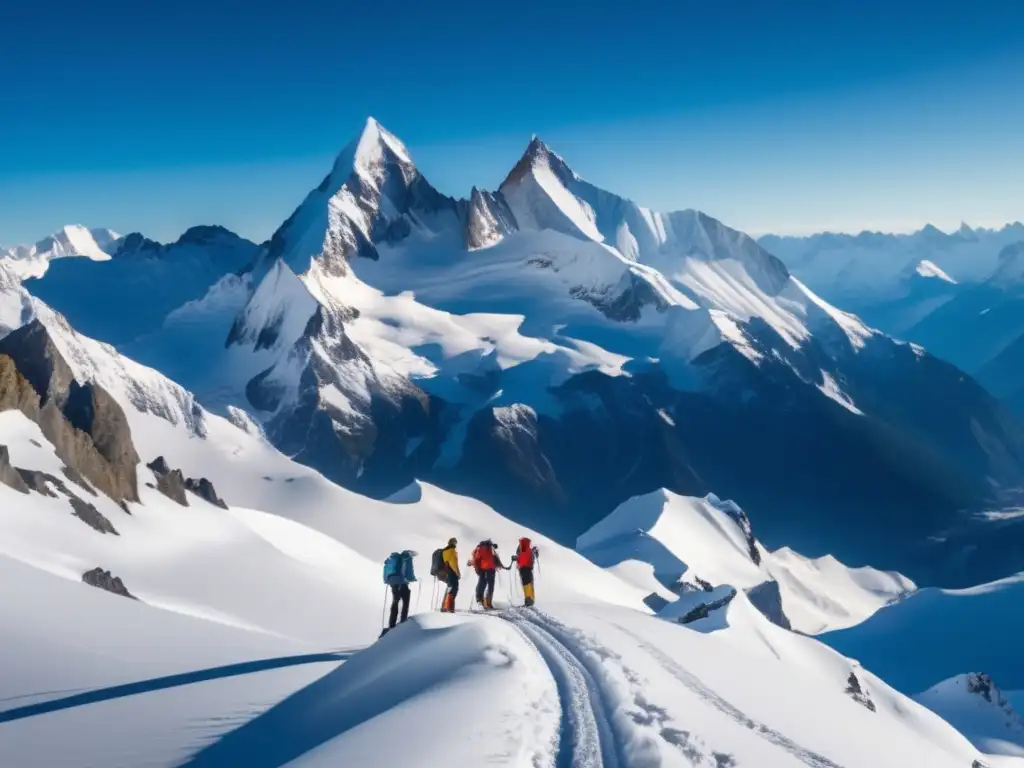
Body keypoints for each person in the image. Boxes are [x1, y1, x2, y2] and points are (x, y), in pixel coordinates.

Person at [381, 550, 417, 637]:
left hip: (393, 583)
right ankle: (403, 622)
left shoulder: (395, 558)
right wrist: (413, 579)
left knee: (395, 601)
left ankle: (392, 624)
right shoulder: (407, 559)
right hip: (402, 583)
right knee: (405, 600)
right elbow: (409, 573)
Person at [469, 539, 505, 610]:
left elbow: (476, 559)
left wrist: (472, 563)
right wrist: (500, 565)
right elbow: (495, 558)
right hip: (491, 569)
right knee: (490, 586)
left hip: (482, 569)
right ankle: (487, 603)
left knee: (481, 584)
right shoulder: (491, 548)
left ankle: (480, 601)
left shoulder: (480, 549)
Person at [512, 537, 538, 607]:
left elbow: (521, 557)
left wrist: (515, 558)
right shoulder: (529, 549)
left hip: (523, 568)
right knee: (529, 583)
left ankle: (528, 600)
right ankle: (531, 599)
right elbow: (529, 557)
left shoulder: (522, 548)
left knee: (526, 583)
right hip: (529, 568)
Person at [440, 538, 460, 613]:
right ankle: (449, 607)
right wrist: (457, 573)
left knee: (450, 587)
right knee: (454, 588)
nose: (456, 544)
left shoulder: (445, 551)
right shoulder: (452, 551)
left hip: (447, 571)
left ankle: (445, 607)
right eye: (455, 543)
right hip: (452, 571)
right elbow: (454, 563)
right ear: (453, 543)